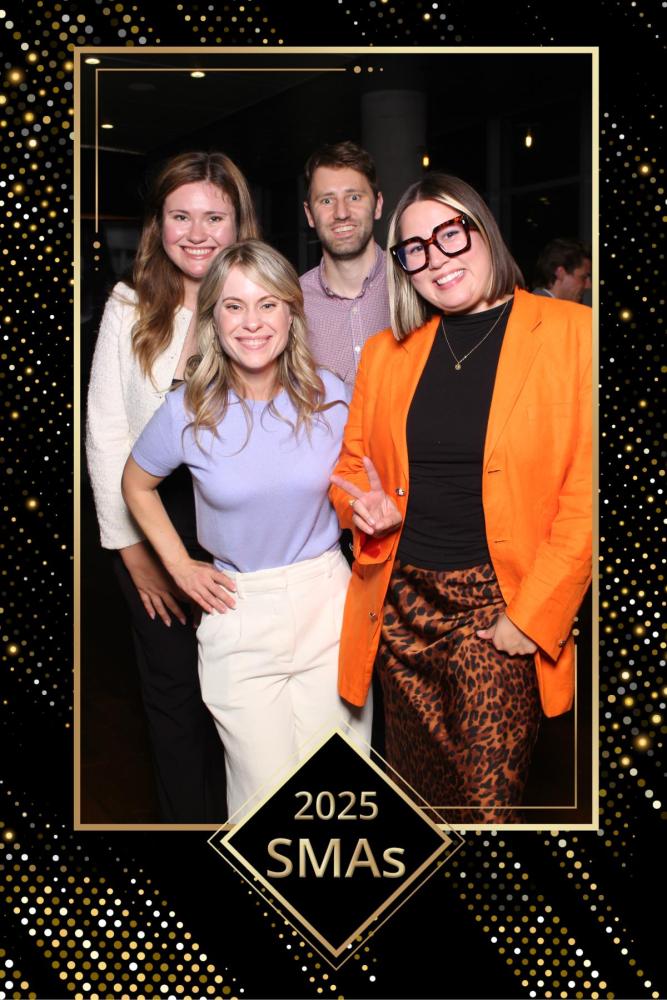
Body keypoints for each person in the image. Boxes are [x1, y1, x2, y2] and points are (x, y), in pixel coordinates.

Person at [330, 173, 592, 824]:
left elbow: (585, 498)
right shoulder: (385, 354)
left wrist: (530, 618)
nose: (436, 259)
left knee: (484, 812)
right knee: (419, 805)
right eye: (414, 248)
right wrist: (361, 509)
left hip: (497, 612)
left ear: (483, 229)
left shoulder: (575, 334)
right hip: (401, 612)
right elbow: (350, 467)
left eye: (450, 234)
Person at [121, 240, 373, 820]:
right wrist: (179, 566)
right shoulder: (188, 409)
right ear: (214, 319)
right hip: (239, 612)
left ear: (291, 312)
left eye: (267, 304)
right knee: (264, 802)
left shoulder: (332, 395)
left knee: (341, 794)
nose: (252, 322)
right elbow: (135, 485)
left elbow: (366, 484)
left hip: (329, 602)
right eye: (233, 306)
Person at [86, 150, 259, 823]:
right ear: (158, 225)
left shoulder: (259, 303)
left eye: (214, 217)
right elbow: (105, 432)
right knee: (174, 699)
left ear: (238, 223)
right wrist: (133, 552)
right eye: (180, 216)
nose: (197, 232)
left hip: (241, 530)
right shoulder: (128, 305)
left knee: (241, 700)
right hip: (152, 520)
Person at [300, 141, 390, 387]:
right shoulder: (292, 303)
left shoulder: (412, 283)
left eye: (354, 197)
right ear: (309, 215)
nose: (342, 213)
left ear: (378, 205)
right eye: (327, 201)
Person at [532, 237, 592, 303]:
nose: (589, 286)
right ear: (560, 273)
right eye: (583, 277)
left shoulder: (535, 303)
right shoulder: (540, 307)